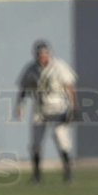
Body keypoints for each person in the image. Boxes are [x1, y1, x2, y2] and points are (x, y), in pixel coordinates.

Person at [15, 40, 79, 183]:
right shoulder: (31, 69)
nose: (43, 57)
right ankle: (37, 176)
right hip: (40, 108)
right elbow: (24, 88)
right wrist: (20, 105)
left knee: (61, 139)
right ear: (35, 55)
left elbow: (70, 87)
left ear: (50, 54)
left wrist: (75, 108)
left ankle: (68, 173)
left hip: (59, 107)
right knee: (35, 144)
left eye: (45, 54)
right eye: (40, 54)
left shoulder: (59, 66)